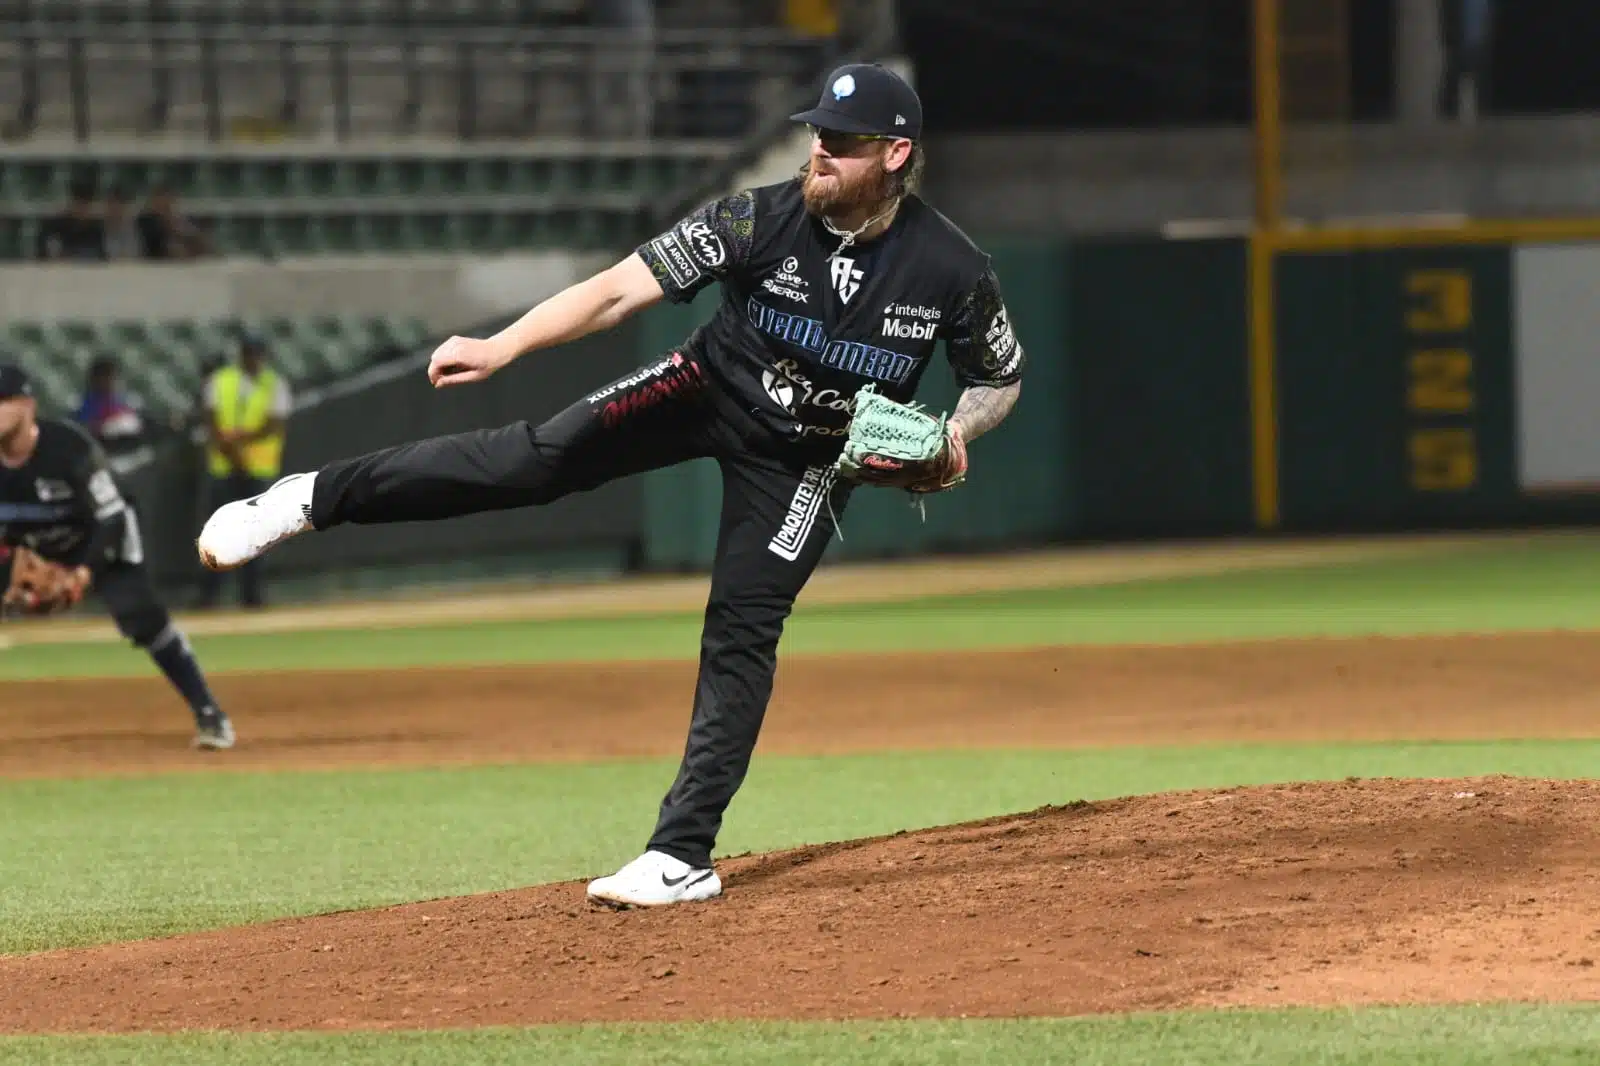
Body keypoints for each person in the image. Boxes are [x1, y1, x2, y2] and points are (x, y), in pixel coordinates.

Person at [196, 63, 1025, 906]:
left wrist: (958, 432)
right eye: (816, 133)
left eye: (841, 143)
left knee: (743, 627)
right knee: (531, 460)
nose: (818, 151)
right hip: (702, 388)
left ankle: (680, 855)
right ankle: (306, 499)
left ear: (895, 153)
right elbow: (618, 290)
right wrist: (503, 346)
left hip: (806, 459)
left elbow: (999, 375)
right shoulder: (756, 216)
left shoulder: (951, 268)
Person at [0, 363, 235, 750]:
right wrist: (14, 570)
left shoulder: (67, 448)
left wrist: (82, 574)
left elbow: (110, 519)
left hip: (101, 538)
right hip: (38, 541)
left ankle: (209, 712)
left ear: (27, 405)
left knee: (142, 618)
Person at [196, 334, 291, 610]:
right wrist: (231, 448)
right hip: (224, 467)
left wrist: (237, 441)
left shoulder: (275, 384)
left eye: (256, 353)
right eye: (248, 353)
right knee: (214, 531)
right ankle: (208, 595)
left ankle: (252, 595)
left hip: (257, 467)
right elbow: (210, 418)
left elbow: (274, 424)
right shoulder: (221, 380)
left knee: (257, 534)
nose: (252, 359)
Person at [72, 356, 147, 463]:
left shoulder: (130, 403)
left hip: (131, 456)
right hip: (99, 458)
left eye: (112, 377)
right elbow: (83, 431)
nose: (109, 382)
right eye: (103, 376)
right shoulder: (83, 405)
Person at [35, 178, 107, 262]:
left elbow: (102, 258)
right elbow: (42, 253)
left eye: (85, 205)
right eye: (79, 204)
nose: (82, 209)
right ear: (72, 203)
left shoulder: (96, 229)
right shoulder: (54, 225)